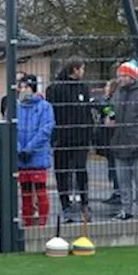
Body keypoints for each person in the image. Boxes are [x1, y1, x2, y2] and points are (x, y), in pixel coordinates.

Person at [107, 61, 138, 220]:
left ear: (132, 76)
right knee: (123, 181)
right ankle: (126, 209)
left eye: (122, 75)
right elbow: (112, 112)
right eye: (118, 76)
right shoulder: (117, 93)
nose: (119, 79)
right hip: (120, 142)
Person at [45, 59, 93, 222]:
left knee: (81, 170)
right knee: (62, 173)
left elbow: (87, 112)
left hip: (81, 139)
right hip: (62, 139)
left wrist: (89, 134)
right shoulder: (54, 89)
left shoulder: (83, 88)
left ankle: (85, 203)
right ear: (75, 69)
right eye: (82, 68)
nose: (83, 72)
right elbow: (51, 113)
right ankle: (65, 205)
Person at [15, 75, 56, 227]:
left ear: (33, 88)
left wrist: (30, 148)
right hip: (21, 157)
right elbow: (12, 129)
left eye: (26, 87)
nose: (23, 90)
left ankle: (42, 224)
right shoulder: (16, 107)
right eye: (21, 87)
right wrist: (19, 149)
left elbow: (45, 130)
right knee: (25, 192)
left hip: (37, 156)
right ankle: (28, 222)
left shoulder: (45, 107)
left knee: (40, 191)